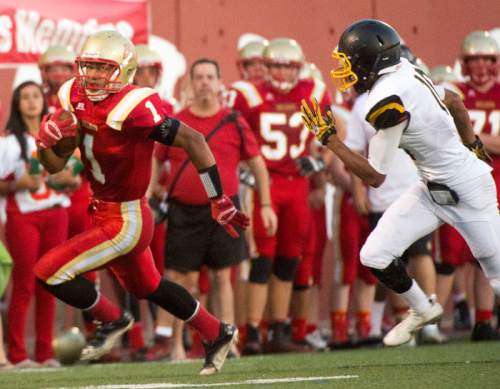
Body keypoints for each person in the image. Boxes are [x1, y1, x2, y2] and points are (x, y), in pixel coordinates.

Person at [33, 30, 248, 375]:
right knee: (148, 286)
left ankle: (113, 319)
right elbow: (55, 167)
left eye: (103, 69)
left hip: (126, 219)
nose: (92, 76)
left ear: (124, 71)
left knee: (48, 271)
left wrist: (217, 196)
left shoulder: (133, 106)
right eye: (88, 67)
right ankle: (216, 331)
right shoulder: (73, 95)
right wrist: (46, 146)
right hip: (100, 208)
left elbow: (193, 140)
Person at [301, 19, 500, 347]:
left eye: (349, 62)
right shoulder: (407, 70)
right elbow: (454, 101)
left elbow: (375, 176)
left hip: (467, 190)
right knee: (375, 254)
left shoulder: (386, 97)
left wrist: (329, 140)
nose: (345, 70)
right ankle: (423, 309)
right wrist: (473, 145)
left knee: (496, 279)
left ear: (369, 59)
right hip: (432, 187)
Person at [153, 58, 276, 359]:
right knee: (182, 279)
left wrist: (266, 205)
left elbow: (258, 165)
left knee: (224, 277)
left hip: (225, 211)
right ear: (191, 84)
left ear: (221, 83)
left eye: (211, 77)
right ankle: (176, 346)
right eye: (200, 77)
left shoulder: (234, 120)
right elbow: (156, 160)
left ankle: (229, 341)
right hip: (184, 211)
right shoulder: (175, 121)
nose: (205, 82)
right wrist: (152, 191)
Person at [230, 37, 332, 353]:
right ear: (266, 66)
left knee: (289, 259)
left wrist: (316, 162)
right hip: (267, 184)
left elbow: (330, 135)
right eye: (276, 66)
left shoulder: (313, 91)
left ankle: (278, 330)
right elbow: (232, 138)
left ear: (298, 68)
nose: (283, 73)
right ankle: (253, 332)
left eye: (288, 67)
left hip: (297, 185)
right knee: (262, 258)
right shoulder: (249, 94)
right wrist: (244, 171)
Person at [434, 31, 500, 340]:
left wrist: (472, 138)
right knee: (452, 254)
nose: (481, 67)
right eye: (474, 61)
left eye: (487, 60)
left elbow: (464, 137)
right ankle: (436, 322)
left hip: (495, 177)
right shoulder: (453, 92)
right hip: (461, 177)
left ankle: (484, 319)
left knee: (489, 252)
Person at [0, 81, 71, 368]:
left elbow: (73, 174)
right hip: (24, 216)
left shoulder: (56, 135)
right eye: (25, 97)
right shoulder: (8, 143)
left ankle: (45, 352)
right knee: (25, 284)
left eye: (35, 97)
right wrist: (19, 184)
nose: (31, 102)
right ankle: (17, 353)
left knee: (50, 283)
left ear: (43, 102)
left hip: (56, 213)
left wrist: (67, 179)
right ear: (17, 104)